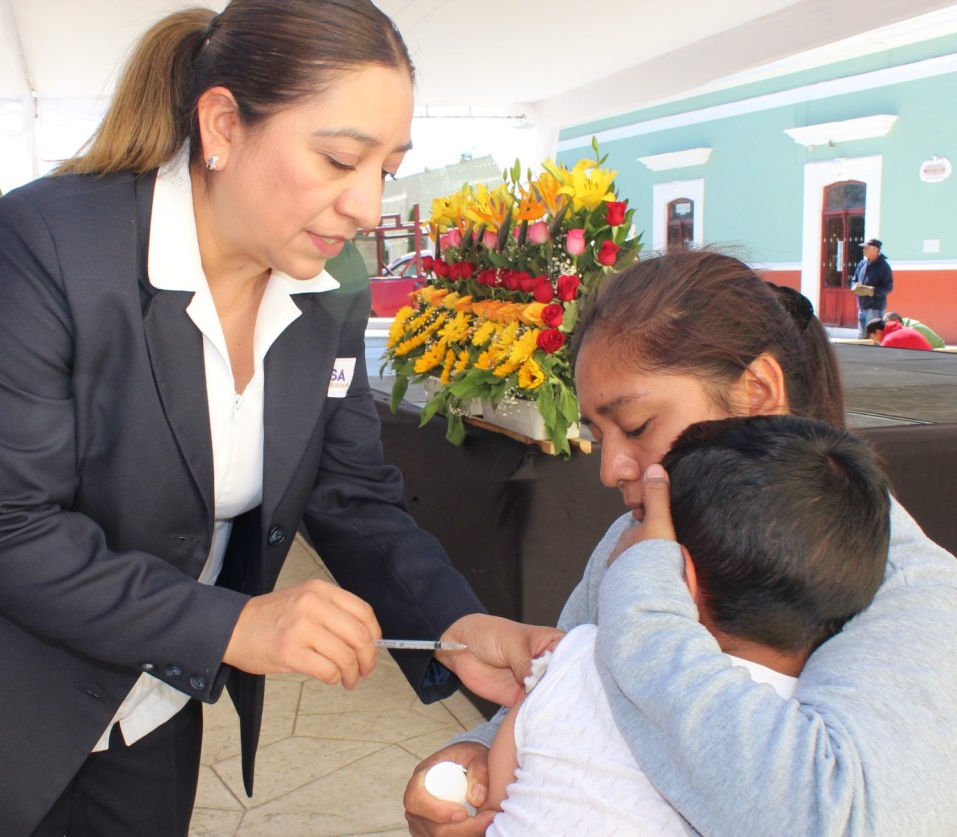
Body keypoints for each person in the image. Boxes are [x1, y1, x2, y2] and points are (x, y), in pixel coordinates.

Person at [0, 3, 561, 835]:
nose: (368, 207)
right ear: (223, 124)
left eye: (389, 168)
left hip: (159, 708)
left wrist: (454, 624)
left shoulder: (332, 292)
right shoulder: (43, 245)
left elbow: (349, 493)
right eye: (341, 159)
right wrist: (230, 622)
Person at [404, 249, 957, 837]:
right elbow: (567, 691)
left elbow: (832, 816)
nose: (611, 470)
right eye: (598, 435)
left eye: (636, 426)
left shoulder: (910, 591)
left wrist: (641, 610)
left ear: (757, 393)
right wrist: (476, 758)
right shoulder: (636, 538)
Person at [477, 414, 891, 835]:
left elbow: (498, 793)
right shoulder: (811, 736)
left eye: (643, 533)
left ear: (673, 576)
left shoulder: (578, 653)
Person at [850, 237, 893, 338]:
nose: (863, 250)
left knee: (873, 338)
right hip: (862, 306)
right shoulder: (862, 264)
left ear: (875, 249)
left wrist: (872, 291)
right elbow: (854, 279)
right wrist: (854, 286)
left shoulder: (884, 267)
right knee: (862, 336)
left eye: (866, 248)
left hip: (875, 308)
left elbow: (888, 288)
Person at [866, 317, 933, 350]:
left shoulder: (888, 340)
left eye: (872, 337)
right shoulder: (902, 329)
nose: (874, 341)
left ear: (877, 332)